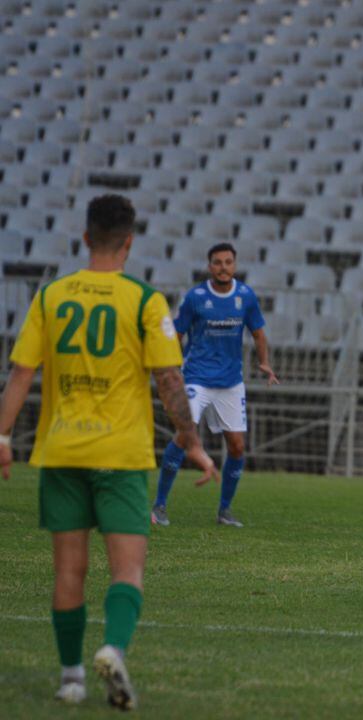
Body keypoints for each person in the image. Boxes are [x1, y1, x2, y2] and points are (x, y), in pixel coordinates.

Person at [0, 194, 218, 708]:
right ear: (129, 242)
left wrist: (4, 437)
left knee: (68, 572)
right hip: (120, 454)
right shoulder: (145, 300)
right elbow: (168, 379)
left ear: (84, 239)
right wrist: (191, 443)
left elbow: (20, 374)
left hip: (62, 450)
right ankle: (113, 648)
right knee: (128, 570)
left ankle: (72, 677)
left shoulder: (51, 296)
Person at [152, 243, 279, 528]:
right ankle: (159, 505)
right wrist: (173, 369)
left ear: (235, 265)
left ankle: (224, 511)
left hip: (231, 382)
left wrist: (264, 362)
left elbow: (258, 333)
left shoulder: (245, 296)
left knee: (236, 447)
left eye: (228, 262)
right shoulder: (195, 297)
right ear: (210, 267)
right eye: (218, 262)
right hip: (197, 378)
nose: (223, 267)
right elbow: (177, 334)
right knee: (184, 435)